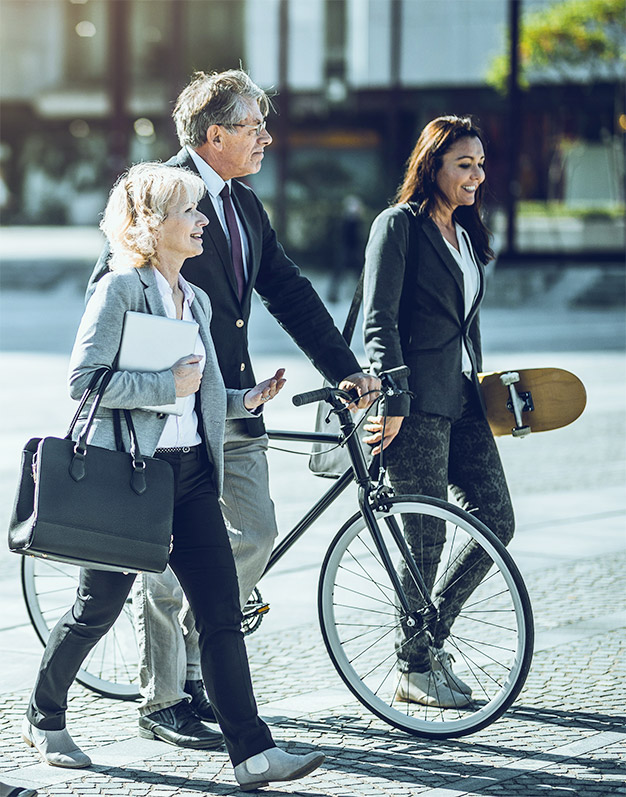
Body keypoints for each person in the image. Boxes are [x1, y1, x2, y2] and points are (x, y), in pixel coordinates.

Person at [88, 69, 379, 748]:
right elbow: (117, 280)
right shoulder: (158, 189)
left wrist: (345, 369)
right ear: (213, 134)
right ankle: (164, 697)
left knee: (252, 535)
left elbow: (287, 287)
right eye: (254, 127)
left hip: (236, 397)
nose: (267, 138)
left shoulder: (244, 203)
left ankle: (196, 662)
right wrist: (150, 383)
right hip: (168, 406)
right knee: (164, 561)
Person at [21, 162, 325, 792]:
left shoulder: (199, 297)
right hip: (129, 476)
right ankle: (43, 715)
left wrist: (246, 399)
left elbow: (204, 386)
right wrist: (165, 386)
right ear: (151, 225)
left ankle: (252, 754)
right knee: (96, 607)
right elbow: (85, 382)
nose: (203, 220)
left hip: (189, 477)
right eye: (189, 211)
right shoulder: (119, 289)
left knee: (219, 611)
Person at [361, 115, 515, 708]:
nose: (477, 175)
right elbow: (381, 320)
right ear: (433, 166)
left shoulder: (468, 230)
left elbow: (464, 320)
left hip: (463, 397)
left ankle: (424, 644)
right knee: (423, 537)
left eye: (480, 163)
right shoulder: (397, 226)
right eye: (464, 165)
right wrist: (393, 400)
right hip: (415, 403)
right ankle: (416, 665)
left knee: (496, 523)